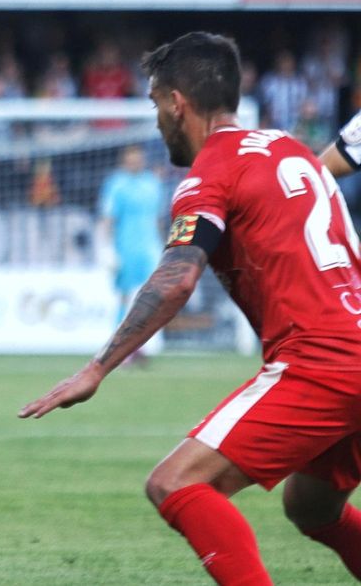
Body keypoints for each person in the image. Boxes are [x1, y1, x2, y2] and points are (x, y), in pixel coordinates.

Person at [19, 32, 361, 584]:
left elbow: (177, 280)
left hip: (322, 361)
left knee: (176, 483)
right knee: (312, 507)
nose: (155, 121)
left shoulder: (211, 172)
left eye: (155, 104)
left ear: (177, 102)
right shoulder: (292, 152)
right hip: (354, 346)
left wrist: (97, 367)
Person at [96, 143, 166, 361]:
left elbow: (158, 219)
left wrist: (166, 246)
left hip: (150, 247)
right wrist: (106, 248)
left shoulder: (153, 183)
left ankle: (139, 347)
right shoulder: (116, 184)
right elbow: (108, 218)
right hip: (125, 247)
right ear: (124, 161)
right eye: (131, 159)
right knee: (125, 296)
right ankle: (119, 349)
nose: (135, 162)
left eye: (138, 158)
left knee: (149, 297)